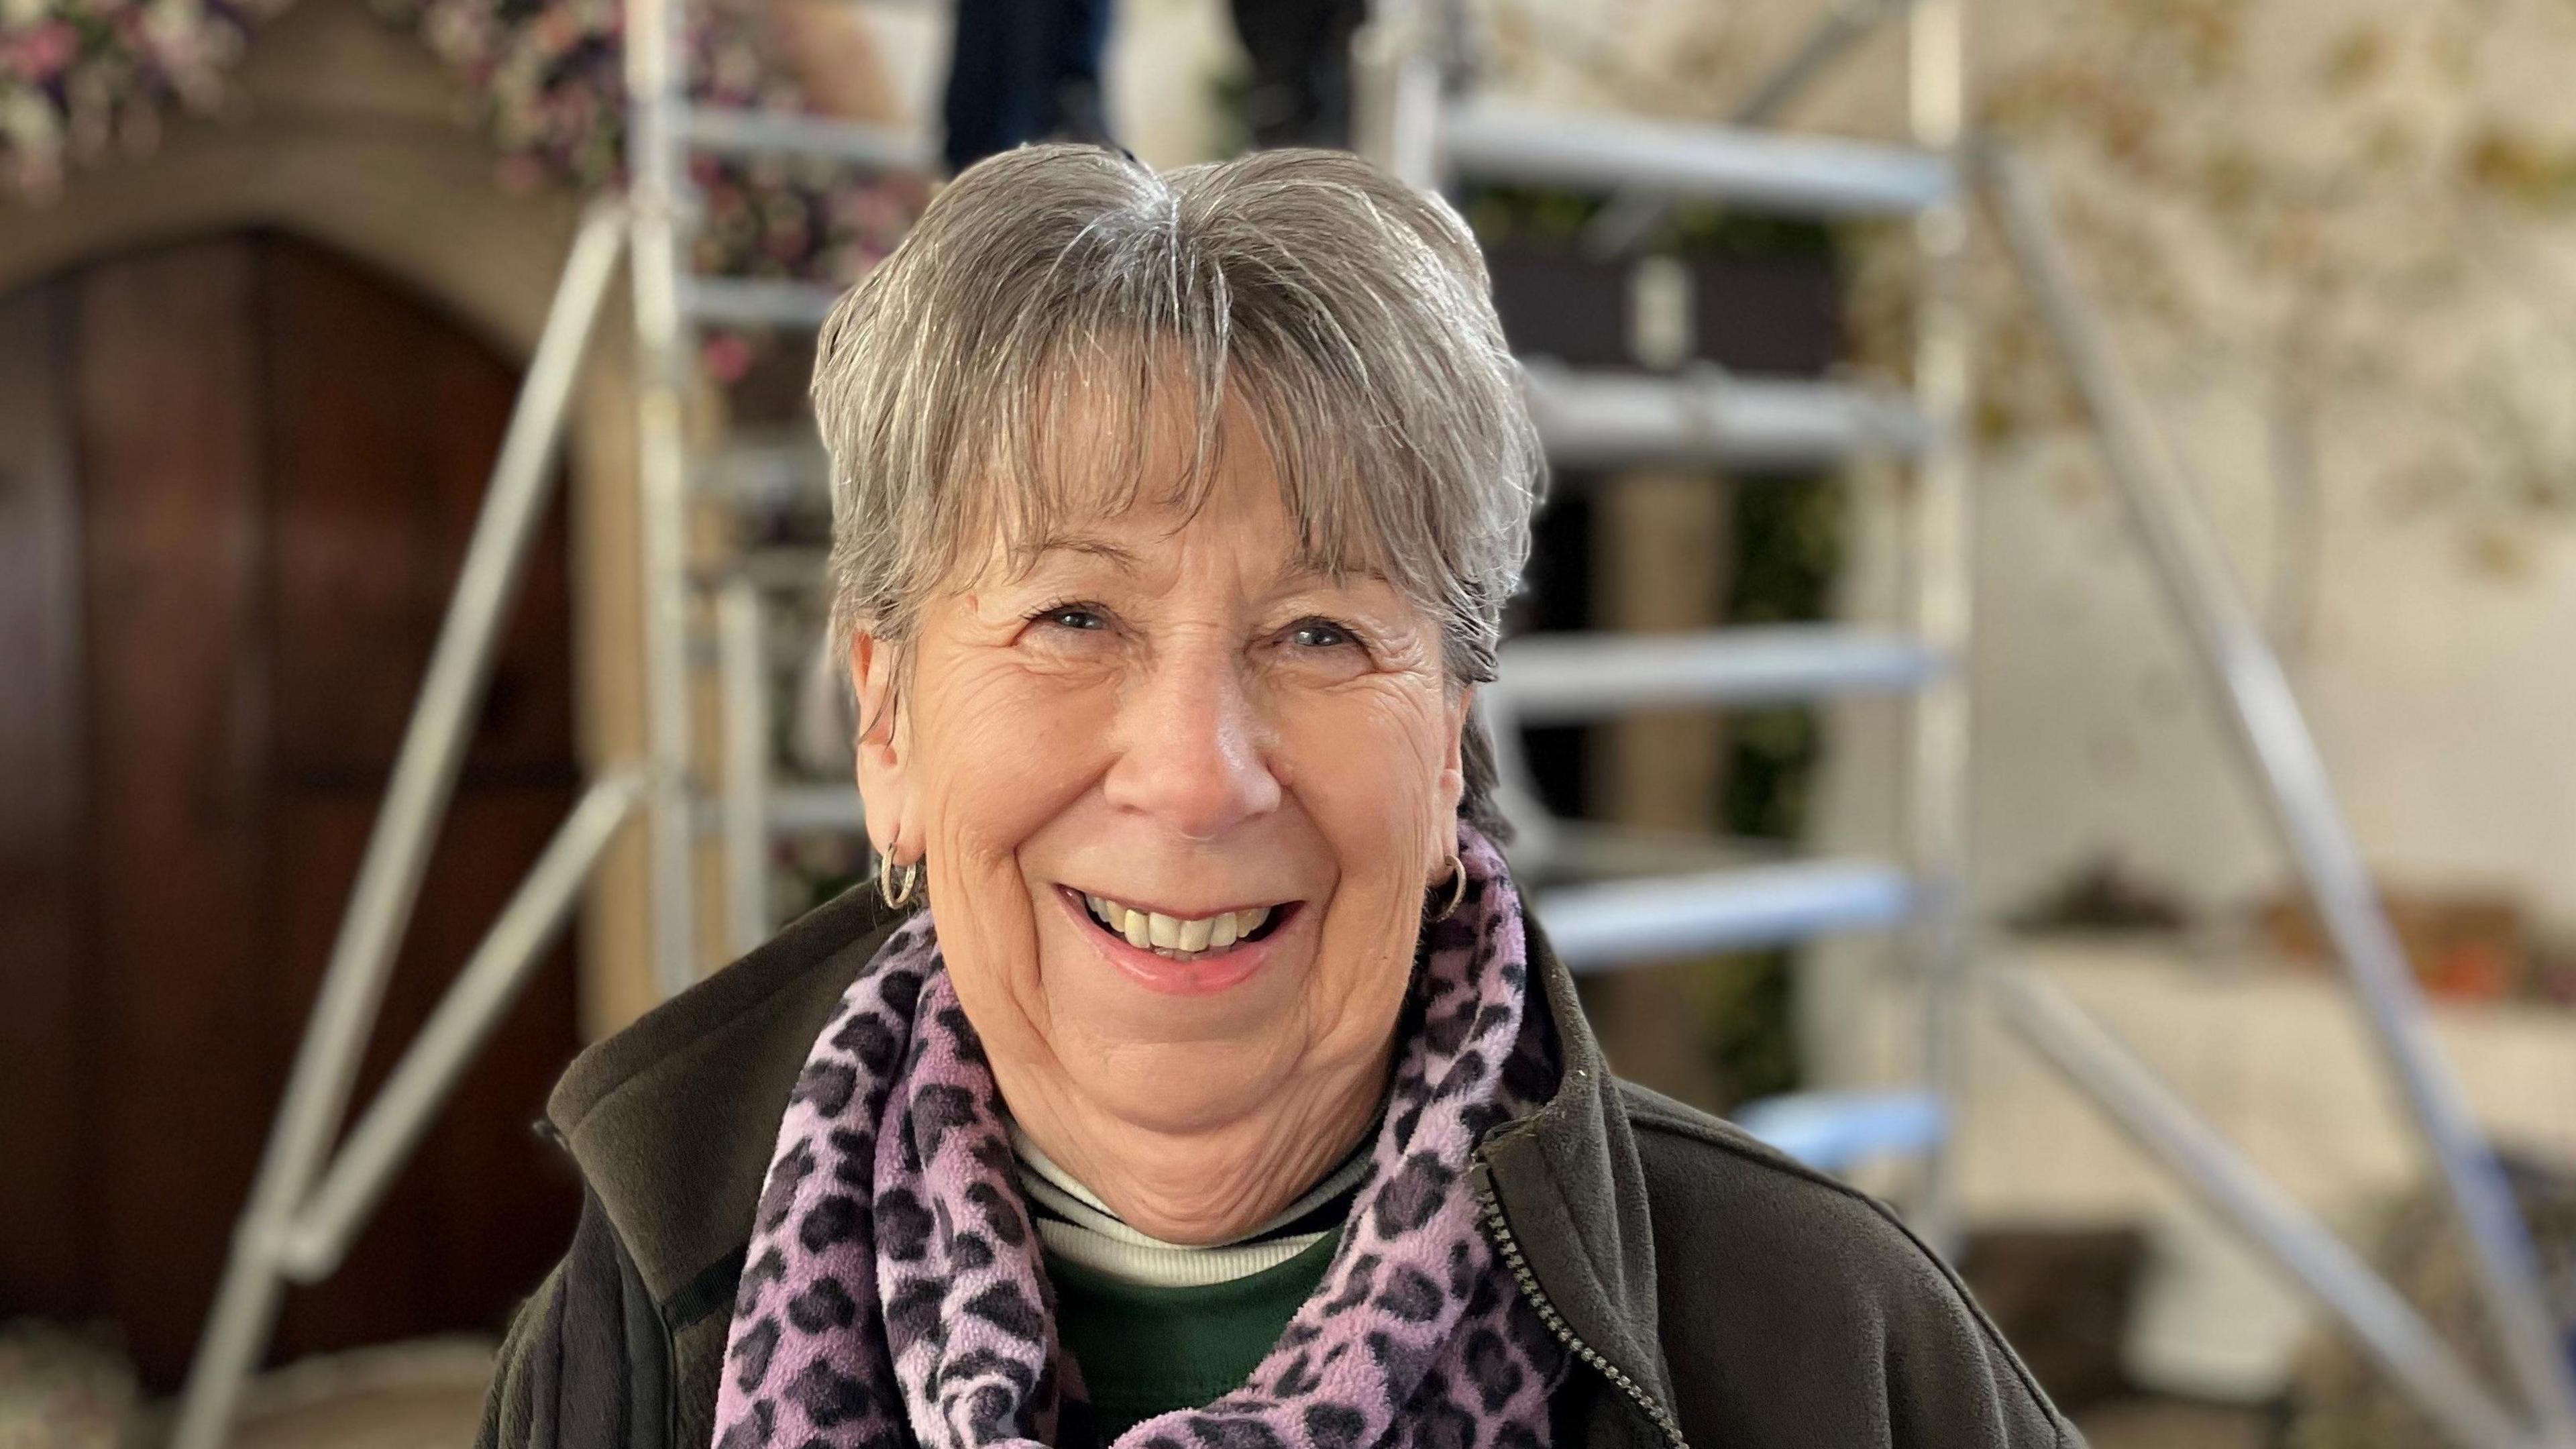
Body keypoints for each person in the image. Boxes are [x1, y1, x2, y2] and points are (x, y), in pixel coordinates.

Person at [477, 145, 2077, 1449]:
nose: (1193, 774)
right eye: (1074, 620)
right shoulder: (642, 1333)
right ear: (885, 719)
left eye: (1320, 633)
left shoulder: (1819, 1348)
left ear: (1449, 736)